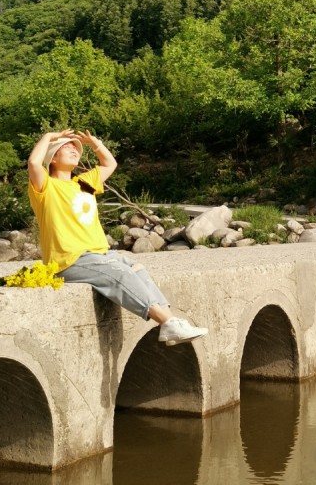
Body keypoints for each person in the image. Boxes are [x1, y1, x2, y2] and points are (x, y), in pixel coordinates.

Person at [27, 128, 208, 346]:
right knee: (120, 273)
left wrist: (95, 144)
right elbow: (34, 163)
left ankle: (171, 323)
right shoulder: (46, 186)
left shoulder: (84, 182)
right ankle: (167, 322)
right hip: (69, 260)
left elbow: (109, 164)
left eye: (76, 148)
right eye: (67, 147)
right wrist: (48, 137)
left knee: (137, 268)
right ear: (53, 158)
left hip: (99, 255)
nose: (74, 150)